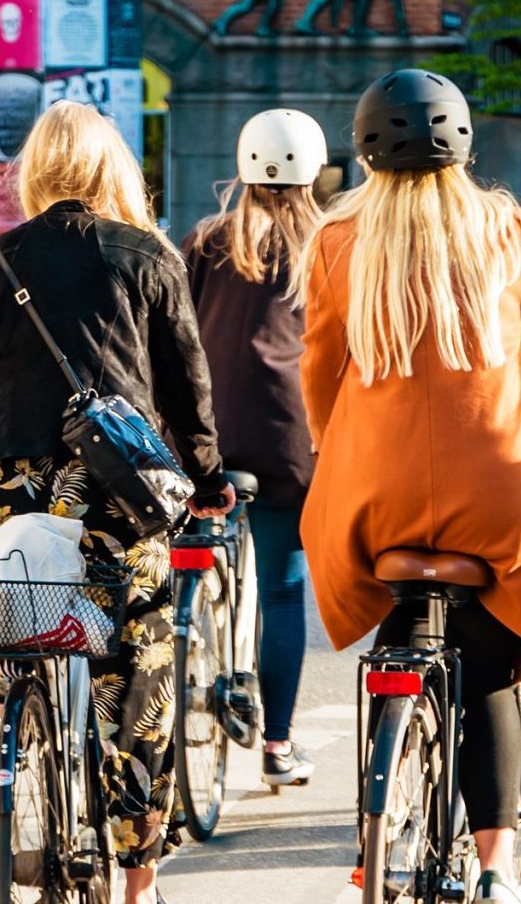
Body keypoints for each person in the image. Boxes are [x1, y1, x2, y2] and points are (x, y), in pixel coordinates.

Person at [299, 71, 521, 904]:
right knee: (489, 664)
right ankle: (495, 869)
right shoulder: (500, 228)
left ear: (364, 147)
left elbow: (316, 366)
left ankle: (376, 822)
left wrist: (333, 452)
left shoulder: (339, 241)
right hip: (498, 495)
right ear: (464, 143)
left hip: (370, 499)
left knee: (393, 629)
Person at [0, 101, 230, 903]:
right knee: (136, 668)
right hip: (111, 492)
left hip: (2, 484)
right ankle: (136, 881)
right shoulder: (147, 257)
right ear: (112, 171)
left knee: (16, 612)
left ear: (34, 174)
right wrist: (206, 481)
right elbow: (186, 389)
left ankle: (4, 728)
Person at [182, 108, 325, 787]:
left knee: (190, 559)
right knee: (282, 589)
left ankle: (192, 647)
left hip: (205, 441)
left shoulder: (207, 240)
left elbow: (174, 337)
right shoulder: (327, 246)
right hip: (286, 444)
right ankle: (276, 743)